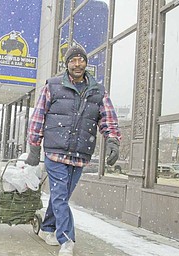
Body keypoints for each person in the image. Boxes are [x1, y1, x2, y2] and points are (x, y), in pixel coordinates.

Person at [25, 44, 121, 256]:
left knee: (62, 196)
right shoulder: (53, 86)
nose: (77, 64)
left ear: (86, 63)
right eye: (72, 60)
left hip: (80, 153)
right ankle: (66, 240)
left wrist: (113, 140)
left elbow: (108, 118)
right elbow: (38, 117)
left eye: (81, 60)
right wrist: (34, 147)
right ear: (66, 64)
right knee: (59, 194)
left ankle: (48, 227)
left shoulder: (98, 91)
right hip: (55, 152)